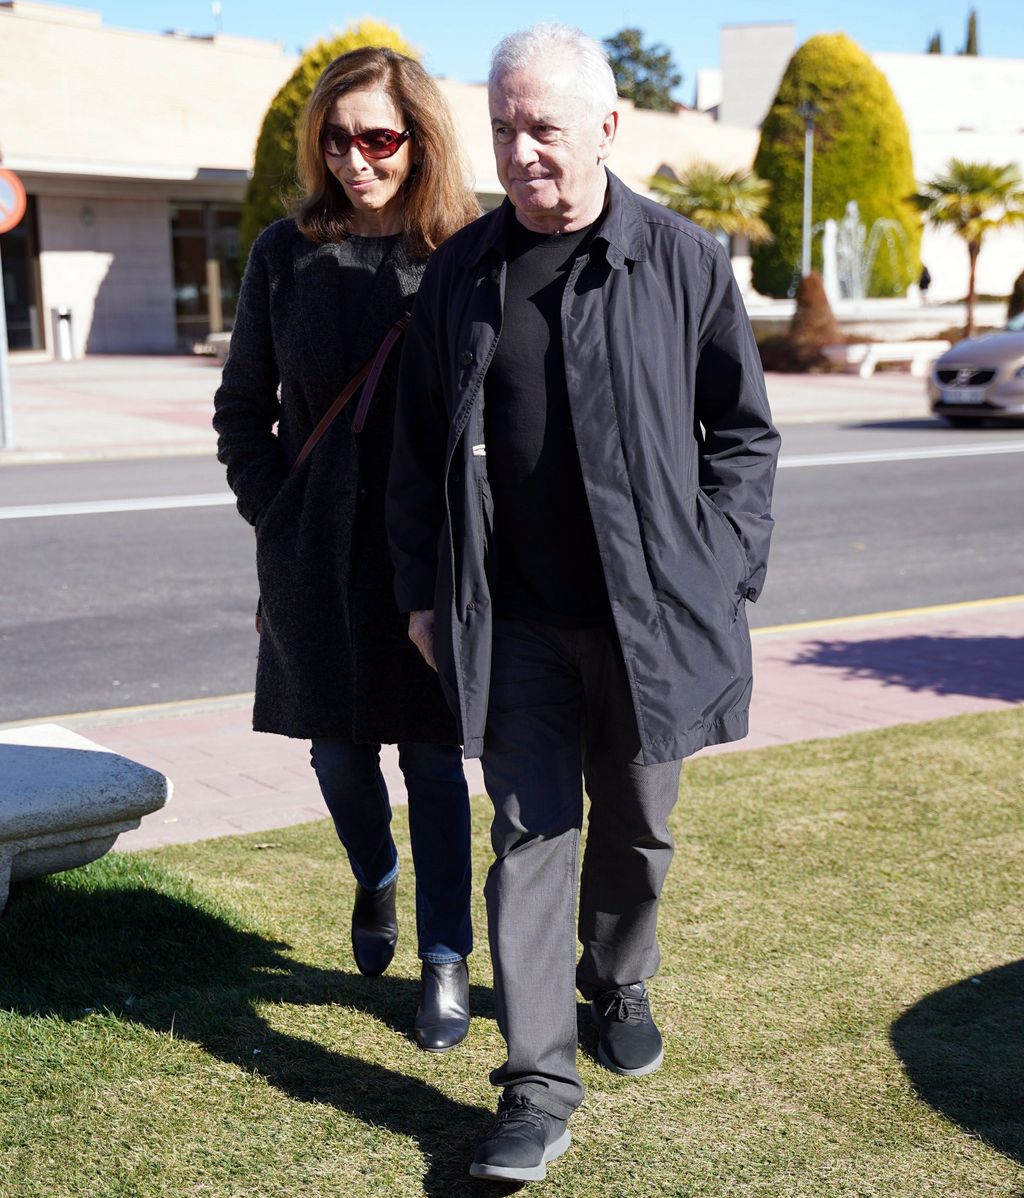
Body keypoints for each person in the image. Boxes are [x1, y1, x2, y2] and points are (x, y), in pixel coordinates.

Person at [387, 22, 780, 1182]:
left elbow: (744, 438)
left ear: (608, 128)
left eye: (541, 130)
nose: (518, 155)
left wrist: (723, 569)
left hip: (651, 620)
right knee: (529, 839)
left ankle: (618, 983)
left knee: (641, 831)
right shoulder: (462, 270)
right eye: (501, 130)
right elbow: (416, 452)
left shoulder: (682, 260)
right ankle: (535, 1084)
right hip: (511, 625)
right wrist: (421, 591)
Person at [213, 47, 480, 1053]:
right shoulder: (285, 252)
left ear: (418, 142)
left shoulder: (461, 250)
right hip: (313, 554)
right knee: (335, 753)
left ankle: (445, 959)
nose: (355, 158)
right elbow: (243, 406)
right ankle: (375, 877)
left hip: (427, 558)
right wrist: (272, 515)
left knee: (435, 762)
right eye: (337, 138)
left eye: (377, 138)